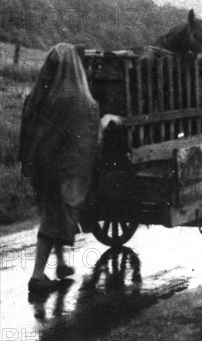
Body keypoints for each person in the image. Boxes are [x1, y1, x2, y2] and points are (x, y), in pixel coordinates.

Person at [18, 43, 121, 292]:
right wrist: (106, 121)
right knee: (56, 215)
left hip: (42, 166)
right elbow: (89, 133)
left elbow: (28, 127)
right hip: (64, 170)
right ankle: (37, 276)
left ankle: (62, 263)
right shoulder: (79, 99)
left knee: (50, 212)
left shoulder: (38, 95)